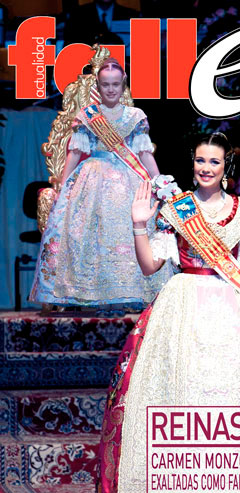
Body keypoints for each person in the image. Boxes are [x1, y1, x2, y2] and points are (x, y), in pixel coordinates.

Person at [96, 132, 240, 493]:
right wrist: (139, 224)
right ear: (192, 164)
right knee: (182, 387)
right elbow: (150, 266)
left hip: (234, 307)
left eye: (214, 161)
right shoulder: (177, 209)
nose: (206, 168)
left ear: (226, 167)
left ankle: (235, 483)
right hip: (183, 306)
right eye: (200, 160)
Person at [29, 57, 172, 313]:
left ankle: (129, 292)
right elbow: (75, 152)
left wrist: (159, 182)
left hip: (129, 180)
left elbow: (144, 153)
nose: (111, 89)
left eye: (115, 84)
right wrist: (64, 185)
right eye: (106, 84)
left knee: (131, 229)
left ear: (123, 83)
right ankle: (92, 293)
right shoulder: (87, 115)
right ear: (98, 85)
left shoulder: (136, 116)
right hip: (93, 178)